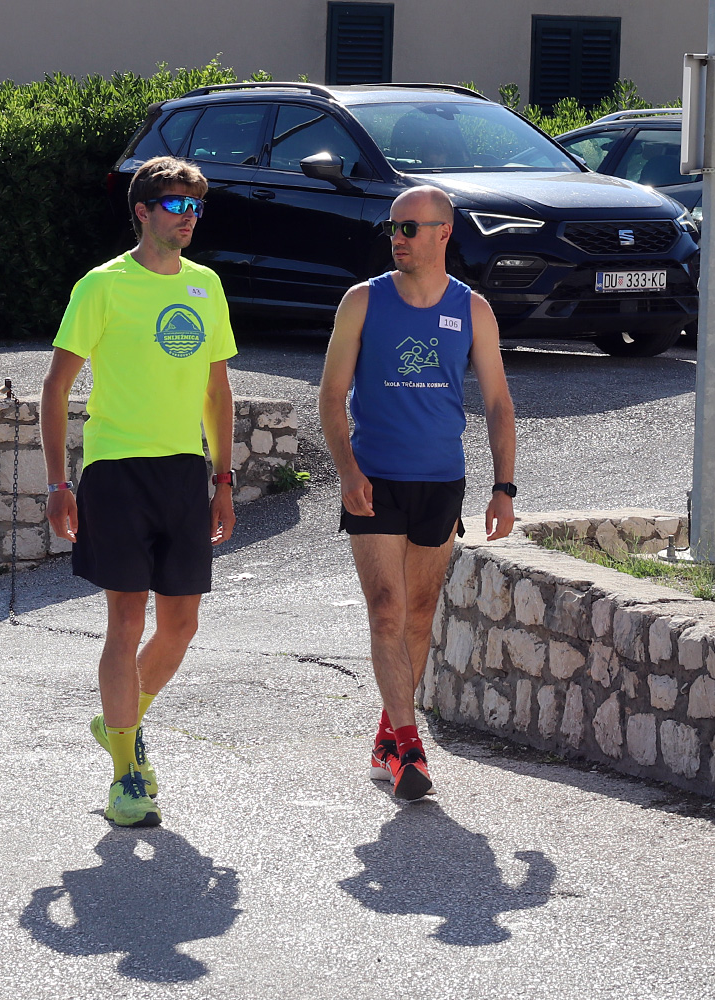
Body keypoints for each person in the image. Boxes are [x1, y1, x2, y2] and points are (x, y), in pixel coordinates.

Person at [42, 156, 237, 828]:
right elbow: (56, 388)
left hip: (184, 471)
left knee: (181, 625)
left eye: (196, 207)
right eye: (176, 205)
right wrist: (58, 482)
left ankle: (120, 722)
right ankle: (125, 775)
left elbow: (217, 392)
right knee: (125, 622)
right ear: (143, 211)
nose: (189, 217)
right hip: (116, 470)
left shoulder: (207, 286)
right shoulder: (102, 286)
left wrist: (223, 479)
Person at [318, 185, 517, 801]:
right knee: (386, 608)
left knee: (420, 613)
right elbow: (330, 396)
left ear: (443, 234)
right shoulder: (363, 301)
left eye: (409, 228)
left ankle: (388, 734)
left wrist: (503, 486)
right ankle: (409, 747)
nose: (397, 238)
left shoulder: (472, 309)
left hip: (440, 479)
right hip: (375, 479)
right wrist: (347, 471)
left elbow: (498, 403)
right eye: (393, 227)